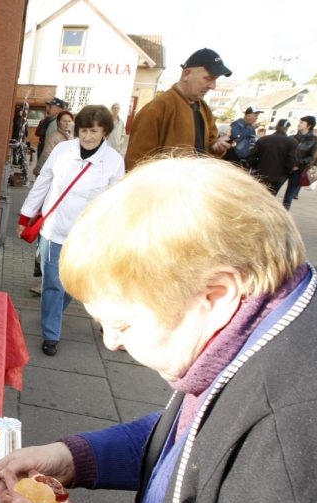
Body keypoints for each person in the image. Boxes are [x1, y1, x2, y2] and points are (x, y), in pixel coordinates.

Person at [0, 156, 317, 503]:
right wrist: (76, 457)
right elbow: (199, 436)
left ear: (216, 295)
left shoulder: (289, 456)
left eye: (122, 322)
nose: (111, 342)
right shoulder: (257, 327)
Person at [17, 105, 124, 356]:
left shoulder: (113, 161)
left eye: (94, 131)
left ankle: (51, 313)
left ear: (105, 132)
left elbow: (114, 202)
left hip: (86, 236)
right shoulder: (63, 151)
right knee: (53, 282)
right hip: (54, 229)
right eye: (84, 130)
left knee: (72, 286)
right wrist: (26, 215)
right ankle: (51, 333)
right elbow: (43, 181)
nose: (87, 136)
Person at [125, 48, 234, 170]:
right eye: (208, 78)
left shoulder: (204, 109)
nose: (213, 86)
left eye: (215, 80)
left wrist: (216, 146)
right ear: (187, 74)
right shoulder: (156, 109)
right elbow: (136, 163)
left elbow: (207, 145)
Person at [251, 119, 296, 197]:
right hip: (279, 176)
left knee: (258, 196)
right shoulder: (292, 142)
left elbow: (252, 156)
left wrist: (256, 167)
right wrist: (287, 173)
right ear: (287, 128)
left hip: (261, 173)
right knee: (271, 196)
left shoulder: (263, 139)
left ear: (276, 127)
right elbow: (291, 161)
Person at [282, 115, 317, 209]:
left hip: (298, 170)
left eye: (302, 122)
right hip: (286, 167)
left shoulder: (314, 139)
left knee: (289, 194)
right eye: (299, 122)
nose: (299, 124)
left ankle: (283, 217)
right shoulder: (292, 137)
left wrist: (298, 165)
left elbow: (312, 157)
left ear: (309, 125)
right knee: (274, 189)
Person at [33, 109, 73, 176]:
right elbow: (47, 155)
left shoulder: (70, 135)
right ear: (58, 122)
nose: (67, 123)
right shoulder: (54, 137)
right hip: (51, 171)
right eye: (64, 121)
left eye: (69, 121)